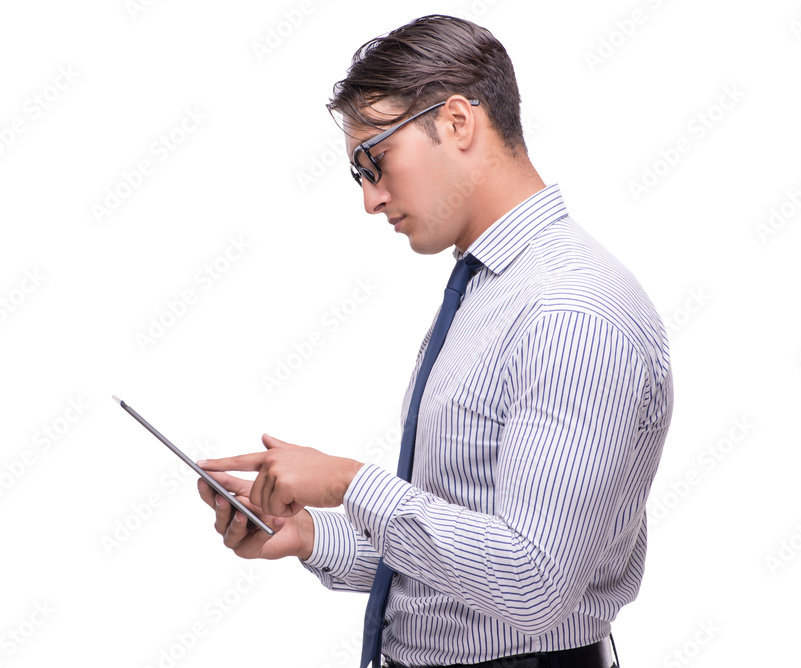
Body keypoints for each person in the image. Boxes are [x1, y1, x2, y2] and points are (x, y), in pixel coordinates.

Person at [196, 14, 673, 668]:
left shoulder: (569, 311)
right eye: (359, 175)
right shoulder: (490, 293)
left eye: (375, 160)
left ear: (456, 122)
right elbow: (463, 560)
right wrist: (307, 534)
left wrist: (349, 482)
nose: (370, 199)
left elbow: (532, 581)